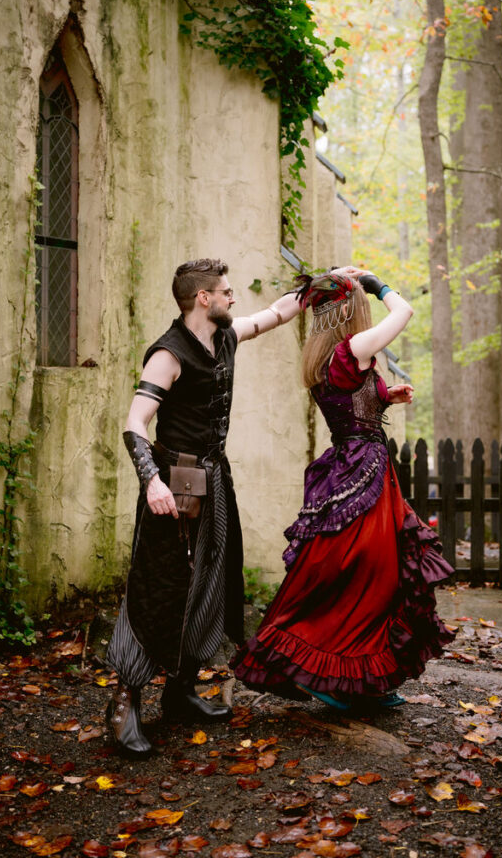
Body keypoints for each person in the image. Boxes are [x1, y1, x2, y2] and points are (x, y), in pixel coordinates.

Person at [106, 258, 362, 755]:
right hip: (171, 484)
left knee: (213, 583)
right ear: (203, 298)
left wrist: (332, 280)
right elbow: (135, 421)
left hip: (214, 479)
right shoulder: (168, 354)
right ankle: (123, 703)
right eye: (225, 291)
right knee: (159, 589)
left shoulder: (225, 336)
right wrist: (151, 480)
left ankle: (180, 693)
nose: (232, 297)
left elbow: (276, 313)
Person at [233, 271, 455, 711]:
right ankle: (333, 677)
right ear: (352, 310)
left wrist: (385, 397)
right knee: (376, 574)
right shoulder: (351, 348)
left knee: (376, 575)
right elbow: (405, 311)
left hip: (360, 469)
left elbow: (348, 403)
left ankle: (364, 680)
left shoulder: (325, 356)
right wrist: (376, 284)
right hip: (363, 474)